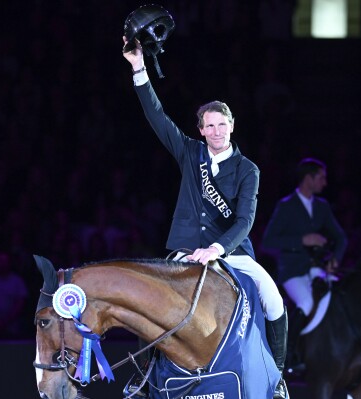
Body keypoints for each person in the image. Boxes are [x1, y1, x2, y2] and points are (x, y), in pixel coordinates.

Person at [122, 37, 288, 399]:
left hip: (232, 252)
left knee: (273, 299)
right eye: (209, 126)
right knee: (150, 299)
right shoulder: (189, 153)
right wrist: (139, 68)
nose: (216, 131)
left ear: (232, 125)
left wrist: (218, 248)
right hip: (186, 250)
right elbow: (156, 116)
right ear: (201, 130)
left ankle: (277, 378)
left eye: (221, 124)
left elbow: (245, 220)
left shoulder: (248, 169)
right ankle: (146, 374)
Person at [261, 158, 347, 373]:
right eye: (321, 178)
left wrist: (335, 258)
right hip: (292, 271)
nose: (325, 183)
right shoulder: (286, 206)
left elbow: (341, 238)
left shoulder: (322, 207)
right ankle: (289, 354)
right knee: (307, 302)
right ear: (308, 179)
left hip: (317, 268)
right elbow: (268, 241)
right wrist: (302, 240)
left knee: (339, 296)